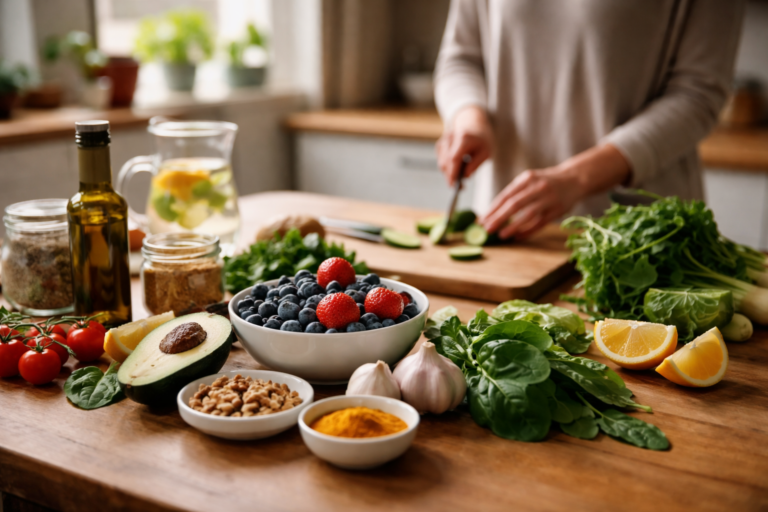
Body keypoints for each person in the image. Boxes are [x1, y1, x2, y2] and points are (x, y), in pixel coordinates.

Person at [434, 0, 745, 240]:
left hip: (639, 234)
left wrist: (575, 178)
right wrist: (468, 117)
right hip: (508, 224)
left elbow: (698, 96)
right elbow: (461, 58)